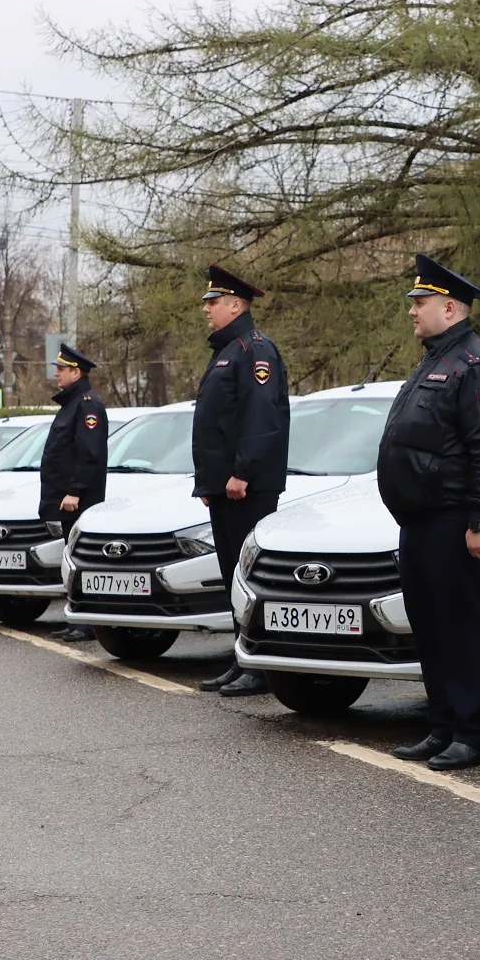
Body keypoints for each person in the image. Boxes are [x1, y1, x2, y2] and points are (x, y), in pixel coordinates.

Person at [377, 254, 480, 771]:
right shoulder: (437, 360)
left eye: (421, 302)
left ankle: (472, 734)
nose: (412, 311)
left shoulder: (476, 366)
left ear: (450, 308)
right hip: (421, 520)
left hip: (457, 521)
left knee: (463, 627)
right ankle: (443, 726)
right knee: (431, 626)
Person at [192, 265, 291, 697]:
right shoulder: (228, 350)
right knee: (233, 577)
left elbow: (261, 418)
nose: (207, 310)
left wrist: (241, 473)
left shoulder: (255, 350)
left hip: (246, 487)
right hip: (226, 488)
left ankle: (259, 666)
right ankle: (242, 659)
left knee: (249, 577)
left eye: (213, 302)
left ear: (236, 305)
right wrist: (210, 484)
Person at [41, 344, 107, 642]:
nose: (56, 374)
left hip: (78, 500)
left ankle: (86, 622)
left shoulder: (87, 405)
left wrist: (75, 491)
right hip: (67, 499)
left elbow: (88, 454)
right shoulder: (72, 404)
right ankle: (77, 617)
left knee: (80, 558)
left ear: (76, 372)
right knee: (72, 558)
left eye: (61, 369)